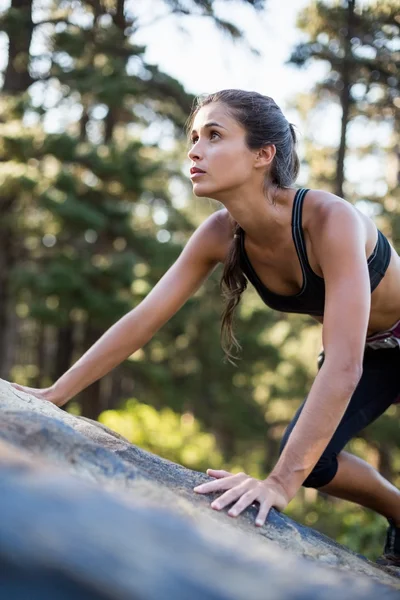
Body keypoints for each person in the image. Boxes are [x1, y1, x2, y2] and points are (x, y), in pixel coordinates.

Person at [12, 89, 400, 565]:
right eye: (194, 137)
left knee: (295, 468)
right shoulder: (220, 234)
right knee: (313, 463)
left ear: (263, 154)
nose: (194, 150)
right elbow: (144, 319)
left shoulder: (329, 219)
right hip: (376, 353)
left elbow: (342, 365)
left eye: (214, 135)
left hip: (374, 348)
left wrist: (278, 484)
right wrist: (55, 394)